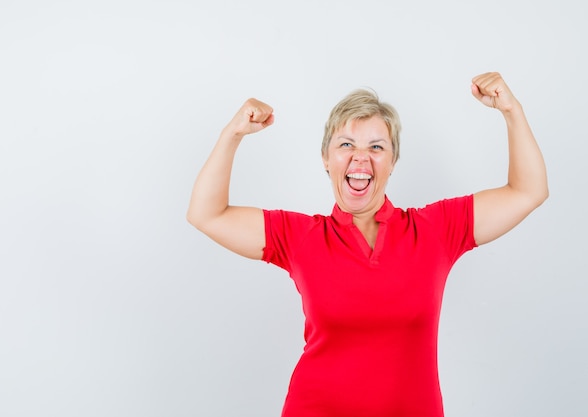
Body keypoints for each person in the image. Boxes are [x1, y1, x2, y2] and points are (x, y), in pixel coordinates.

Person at [187, 72, 548, 417]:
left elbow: (528, 191)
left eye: (376, 146)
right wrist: (233, 133)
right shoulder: (298, 236)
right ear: (327, 160)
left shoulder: (436, 230)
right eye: (346, 144)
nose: (361, 157)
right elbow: (207, 214)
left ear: (392, 162)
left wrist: (511, 110)